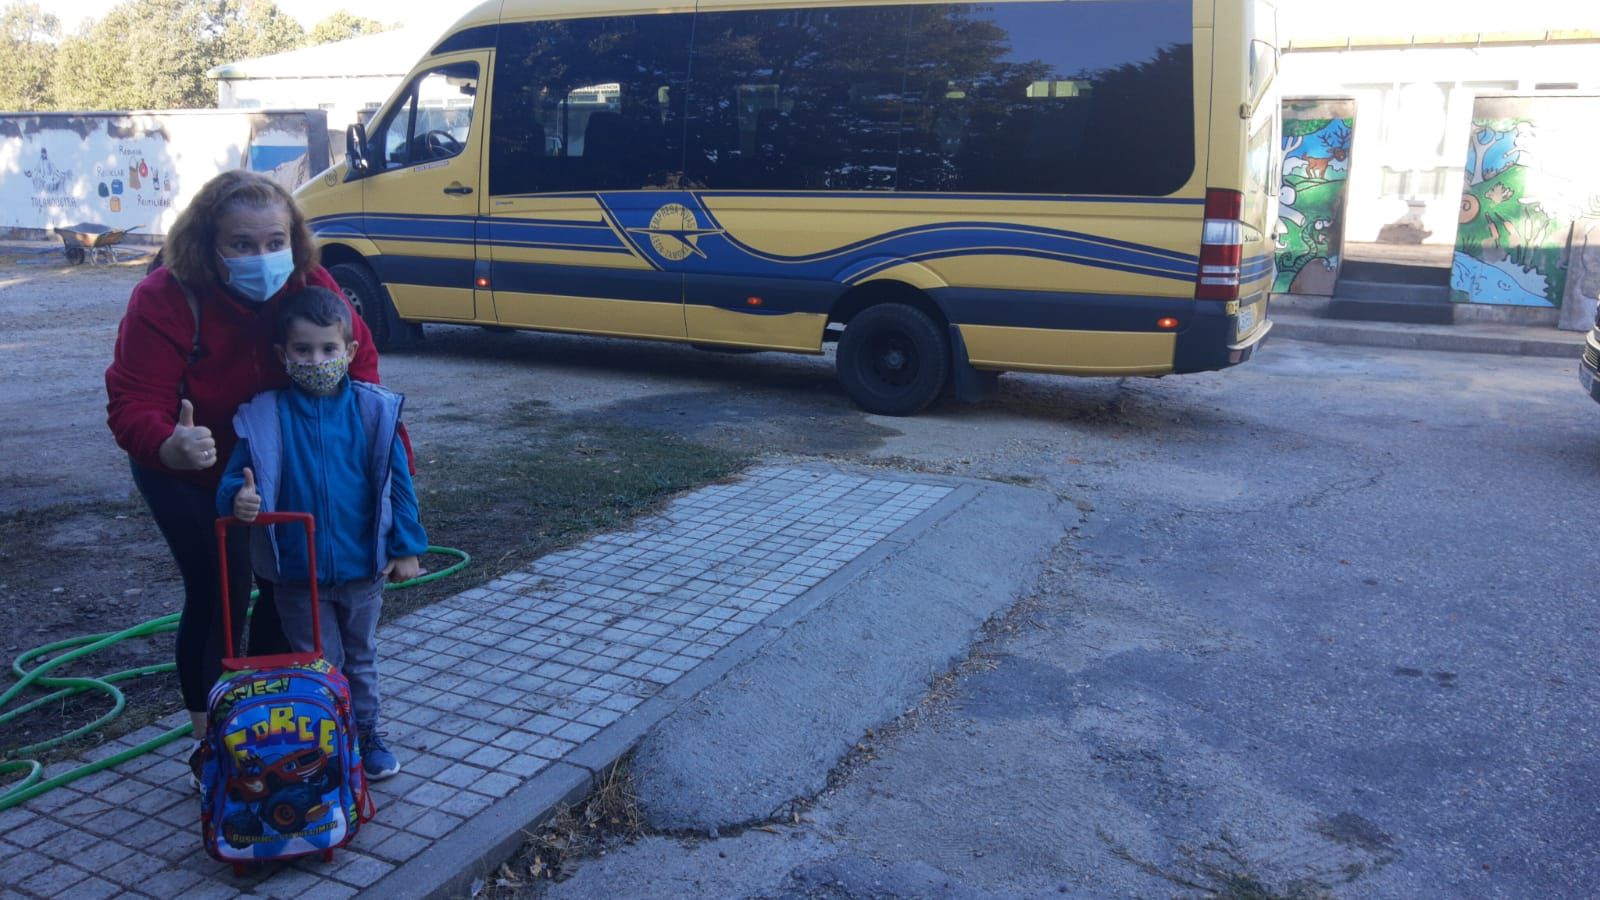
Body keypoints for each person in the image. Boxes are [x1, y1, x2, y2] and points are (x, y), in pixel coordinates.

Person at [105, 169, 395, 788]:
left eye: (274, 241)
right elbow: (132, 397)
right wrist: (166, 443)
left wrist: (390, 478)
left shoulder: (312, 284)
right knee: (220, 592)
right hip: (189, 466)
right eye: (241, 244)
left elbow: (364, 375)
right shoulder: (164, 298)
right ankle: (208, 739)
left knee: (287, 587)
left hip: (280, 466)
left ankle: (267, 720)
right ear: (207, 243)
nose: (262, 257)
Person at [217, 286, 427, 780]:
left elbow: (398, 485)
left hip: (362, 568)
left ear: (349, 351)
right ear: (282, 355)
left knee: (361, 658)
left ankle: (368, 733)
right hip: (296, 575)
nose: (317, 360)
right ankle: (326, 741)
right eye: (303, 350)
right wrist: (237, 499)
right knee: (317, 665)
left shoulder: (372, 411)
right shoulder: (265, 415)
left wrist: (406, 548)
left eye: (328, 349)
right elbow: (233, 478)